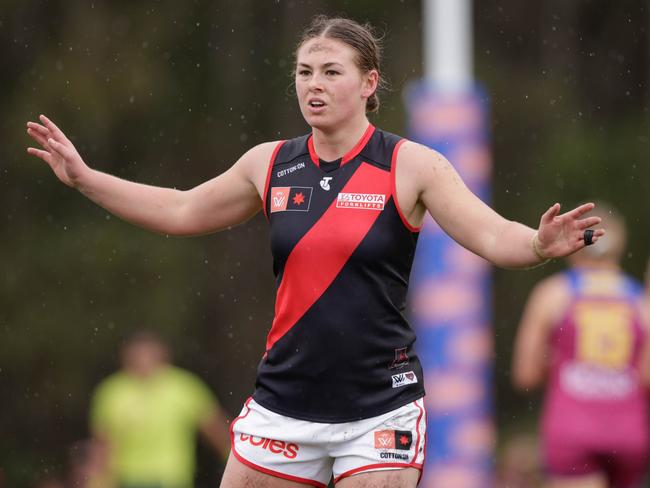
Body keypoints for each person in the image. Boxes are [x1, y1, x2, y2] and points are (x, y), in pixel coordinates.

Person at [26, 14, 604, 488]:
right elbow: (180, 210)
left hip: (380, 409)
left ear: (369, 83)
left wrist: (536, 244)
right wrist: (86, 179)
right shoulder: (270, 163)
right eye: (304, 72)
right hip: (284, 404)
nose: (313, 85)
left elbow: (494, 236)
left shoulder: (411, 165)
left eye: (331, 71)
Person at [511, 204, 650, 488]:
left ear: (575, 243)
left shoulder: (552, 294)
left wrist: (558, 361)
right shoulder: (641, 303)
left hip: (572, 433)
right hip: (629, 435)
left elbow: (525, 375)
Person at [88, 330, 230, 488]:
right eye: (138, 356)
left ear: (163, 357)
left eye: (149, 356)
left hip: (170, 478)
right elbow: (103, 444)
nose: (144, 362)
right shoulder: (113, 392)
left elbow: (217, 432)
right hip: (128, 479)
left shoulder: (183, 388)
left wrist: (242, 466)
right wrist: (98, 481)